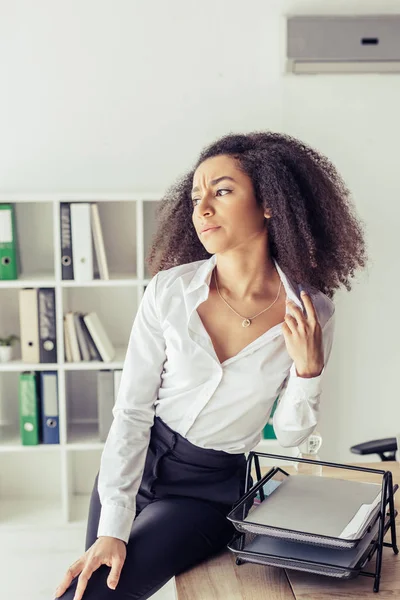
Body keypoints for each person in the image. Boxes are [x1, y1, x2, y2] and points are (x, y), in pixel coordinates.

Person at [54, 131, 367, 600]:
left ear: (270, 203)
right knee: (86, 591)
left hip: (206, 490)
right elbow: (133, 412)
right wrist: (113, 525)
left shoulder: (311, 311)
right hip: (134, 463)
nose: (202, 208)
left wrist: (308, 373)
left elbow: (288, 436)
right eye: (197, 196)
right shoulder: (168, 291)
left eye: (221, 191)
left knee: (104, 593)